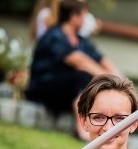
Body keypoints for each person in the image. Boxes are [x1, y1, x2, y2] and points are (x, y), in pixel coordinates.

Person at [26, 0, 118, 140]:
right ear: (74, 16)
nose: (86, 20)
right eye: (84, 15)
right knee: (82, 77)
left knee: (91, 81)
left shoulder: (81, 40)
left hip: (67, 92)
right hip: (43, 88)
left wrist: (120, 80)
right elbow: (79, 60)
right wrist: (110, 79)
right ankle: (81, 129)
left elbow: (101, 58)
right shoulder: (55, 35)